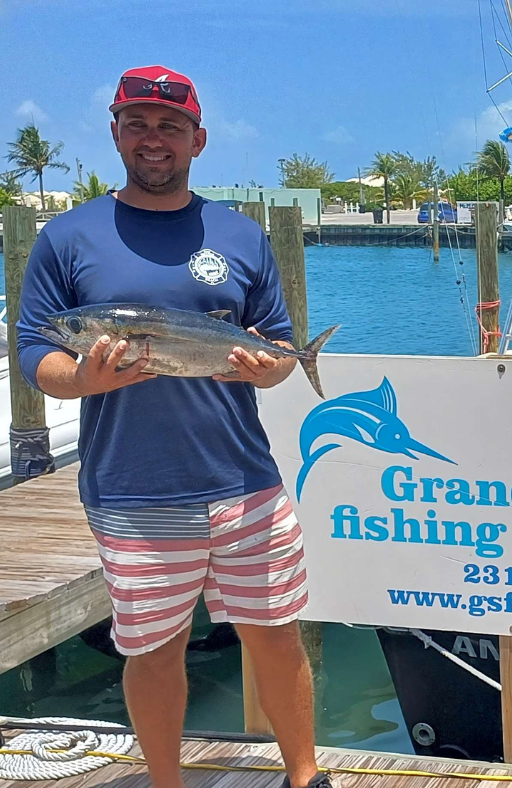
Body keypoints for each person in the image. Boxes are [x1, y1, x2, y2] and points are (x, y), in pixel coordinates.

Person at [15, 65, 329, 788]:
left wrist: (272, 367)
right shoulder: (66, 238)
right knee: (154, 652)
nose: (154, 139)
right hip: (133, 490)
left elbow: (275, 346)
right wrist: (83, 378)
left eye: (170, 127)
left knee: (276, 639)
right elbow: (35, 351)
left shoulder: (241, 235)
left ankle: (308, 777)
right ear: (116, 131)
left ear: (198, 139)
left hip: (245, 481)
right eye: (139, 124)